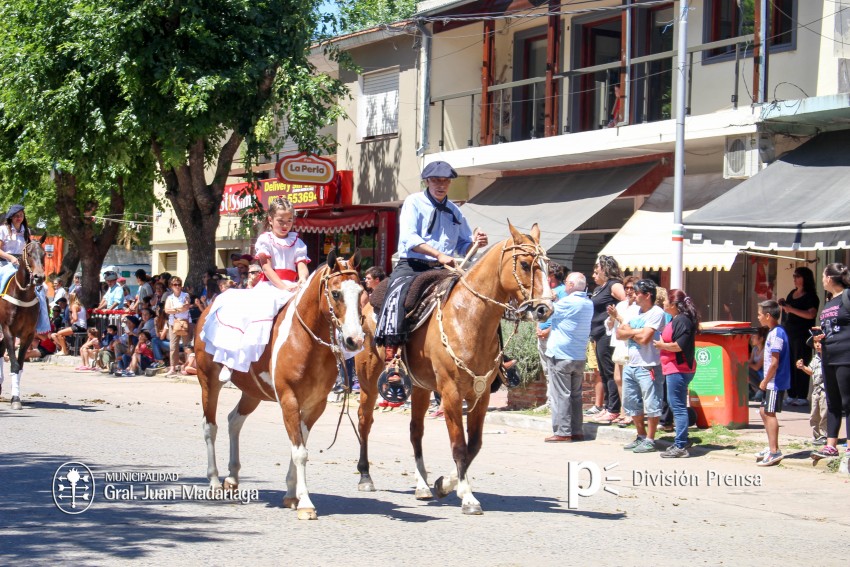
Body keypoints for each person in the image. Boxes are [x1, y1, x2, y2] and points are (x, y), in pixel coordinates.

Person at [374, 161, 487, 400]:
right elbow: (409, 238)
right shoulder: (414, 203)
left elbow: (464, 244)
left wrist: (476, 242)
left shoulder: (455, 211)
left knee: (479, 299)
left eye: (445, 181)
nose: (441, 185)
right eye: (436, 180)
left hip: (445, 268)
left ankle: (497, 359)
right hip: (413, 265)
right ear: (427, 181)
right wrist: (437, 254)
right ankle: (392, 359)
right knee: (398, 295)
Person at [200, 197, 310, 378]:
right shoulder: (265, 240)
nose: (285, 225)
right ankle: (232, 359)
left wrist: (303, 281)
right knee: (252, 314)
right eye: (280, 221)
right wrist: (283, 287)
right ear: (270, 219)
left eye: (289, 221)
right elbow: (266, 267)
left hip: (292, 285)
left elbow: (301, 265)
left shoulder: (296, 241)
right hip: (271, 286)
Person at [542, 272, 593, 443]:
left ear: (570, 285)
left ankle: (563, 431)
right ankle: (577, 430)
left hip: (561, 354)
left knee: (561, 395)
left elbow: (544, 312)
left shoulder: (567, 302)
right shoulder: (588, 303)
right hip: (578, 354)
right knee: (576, 395)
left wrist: (550, 297)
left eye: (566, 283)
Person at [616, 279, 665, 453]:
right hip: (631, 364)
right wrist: (638, 331)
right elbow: (619, 333)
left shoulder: (656, 312)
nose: (634, 295)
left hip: (649, 365)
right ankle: (641, 435)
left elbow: (645, 340)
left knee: (651, 403)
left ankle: (651, 439)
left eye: (637, 293)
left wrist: (631, 333)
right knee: (632, 403)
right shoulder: (634, 311)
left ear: (647, 295)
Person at [653, 289, 700, 458]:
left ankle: (681, 445)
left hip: (678, 369)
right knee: (675, 405)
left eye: (665, 300)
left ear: (673, 304)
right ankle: (683, 438)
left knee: (678, 407)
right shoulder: (677, 319)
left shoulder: (682, 320)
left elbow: (679, 346)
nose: (663, 302)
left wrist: (661, 345)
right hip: (674, 368)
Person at [811, 263, 850, 463]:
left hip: (845, 355)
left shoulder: (847, 296)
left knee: (847, 402)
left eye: (824, 275)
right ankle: (830, 446)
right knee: (832, 402)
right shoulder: (829, 302)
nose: (823, 279)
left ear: (829, 278)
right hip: (828, 356)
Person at [589, 255, 626, 425]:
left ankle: (614, 408)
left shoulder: (614, 285)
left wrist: (616, 317)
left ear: (605, 269)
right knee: (603, 372)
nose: (595, 272)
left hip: (607, 332)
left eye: (598, 269)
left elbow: (626, 302)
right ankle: (607, 406)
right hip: (597, 333)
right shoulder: (599, 288)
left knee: (610, 371)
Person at [755, 299, 791, 467]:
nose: (758, 317)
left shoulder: (777, 334)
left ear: (768, 316)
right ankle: (771, 446)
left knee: (769, 413)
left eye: (760, 314)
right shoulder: (773, 332)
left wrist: (765, 380)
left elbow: (775, 362)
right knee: (764, 411)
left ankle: (774, 450)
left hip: (774, 382)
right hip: (772, 382)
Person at [779, 267, 819, 406]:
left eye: (798, 276)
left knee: (801, 362)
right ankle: (791, 393)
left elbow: (811, 314)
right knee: (790, 362)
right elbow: (788, 312)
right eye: (794, 276)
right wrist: (785, 306)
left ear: (805, 278)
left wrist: (791, 309)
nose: (795, 279)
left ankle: (802, 395)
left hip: (802, 334)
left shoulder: (811, 296)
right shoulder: (792, 293)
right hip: (790, 332)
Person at [604, 275, 639, 425]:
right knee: (618, 379)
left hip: (630, 346)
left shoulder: (639, 307)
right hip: (618, 344)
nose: (629, 291)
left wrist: (617, 317)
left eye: (632, 288)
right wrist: (612, 317)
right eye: (627, 288)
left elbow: (630, 325)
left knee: (628, 380)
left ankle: (631, 414)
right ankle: (624, 411)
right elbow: (609, 325)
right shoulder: (621, 305)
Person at [535, 262, 566, 381]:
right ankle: (550, 398)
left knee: (554, 369)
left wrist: (548, 331)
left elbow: (562, 316)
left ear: (552, 275)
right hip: (542, 334)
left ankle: (554, 398)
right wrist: (537, 327)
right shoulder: (545, 290)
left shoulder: (562, 291)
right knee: (547, 370)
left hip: (552, 334)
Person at [798, 338, 827, 446]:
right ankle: (816, 435)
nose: (817, 345)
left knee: (824, 413)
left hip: (825, 390)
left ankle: (824, 435)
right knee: (814, 414)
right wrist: (803, 367)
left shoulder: (828, 357)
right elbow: (811, 371)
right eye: (815, 343)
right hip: (816, 390)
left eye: (820, 343)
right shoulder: (815, 358)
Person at [165, 277, 193, 375]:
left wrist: (175, 309)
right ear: (171, 286)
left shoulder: (186, 295)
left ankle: (187, 366)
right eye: (174, 285)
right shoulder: (170, 298)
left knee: (187, 345)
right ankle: (173, 367)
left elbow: (186, 306)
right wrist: (178, 309)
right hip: (173, 323)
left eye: (178, 284)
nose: (177, 286)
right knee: (173, 346)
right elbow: (166, 310)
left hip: (185, 322)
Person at [748, 327, 768, 402]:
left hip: (763, 376)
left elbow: (757, 367)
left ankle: (760, 391)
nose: (751, 338)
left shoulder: (765, 350)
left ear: (761, 339)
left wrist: (747, 364)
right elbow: (749, 362)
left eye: (754, 336)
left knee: (747, 370)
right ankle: (752, 390)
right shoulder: (755, 349)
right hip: (756, 375)